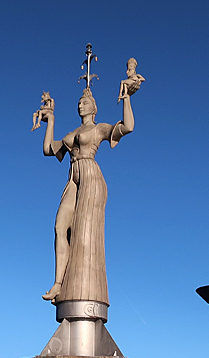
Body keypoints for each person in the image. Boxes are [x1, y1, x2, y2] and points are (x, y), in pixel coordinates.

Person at [38, 86, 135, 305]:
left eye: (85, 103)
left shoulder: (99, 128)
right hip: (72, 176)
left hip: (90, 175)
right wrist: (50, 120)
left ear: (94, 108)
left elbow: (128, 126)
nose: (81, 105)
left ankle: (79, 285)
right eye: (80, 102)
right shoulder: (71, 134)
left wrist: (127, 98)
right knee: (60, 228)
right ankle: (58, 283)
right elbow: (47, 150)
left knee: (84, 232)